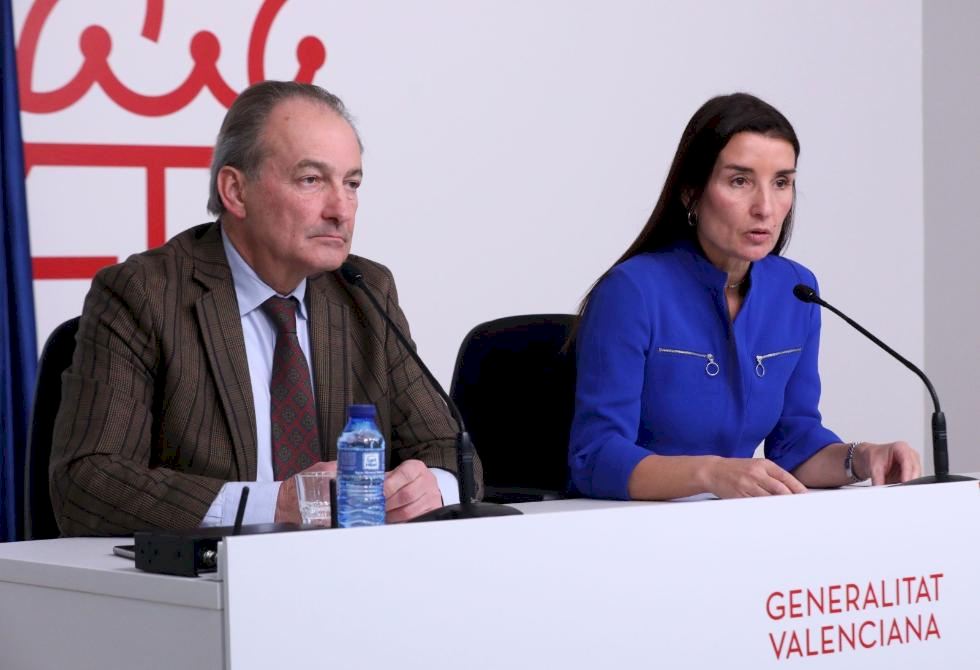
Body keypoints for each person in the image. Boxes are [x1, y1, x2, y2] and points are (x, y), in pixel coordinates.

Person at [50, 81, 478, 535]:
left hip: (350, 569)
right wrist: (274, 505)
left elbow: (449, 450)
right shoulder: (145, 294)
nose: (341, 209)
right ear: (236, 191)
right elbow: (87, 482)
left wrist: (432, 487)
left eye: (351, 183)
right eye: (311, 180)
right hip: (211, 573)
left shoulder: (365, 292)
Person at [568, 92, 920, 501]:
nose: (765, 207)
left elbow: (794, 443)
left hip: (736, 522)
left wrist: (861, 457)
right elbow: (595, 457)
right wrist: (711, 473)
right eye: (740, 181)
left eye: (781, 182)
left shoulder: (796, 290)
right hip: (631, 523)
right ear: (691, 192)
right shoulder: (632, 291)